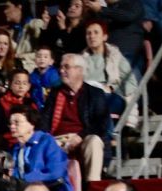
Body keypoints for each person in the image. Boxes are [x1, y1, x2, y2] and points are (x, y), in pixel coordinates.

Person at [40, 53, 111, 183]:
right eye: (61, 67)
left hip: (83, 138)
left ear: (80, 70)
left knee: (94, 141)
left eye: (67, 67)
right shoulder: (55, 94)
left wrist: (80, 136)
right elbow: (44, 122)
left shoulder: (95, 94)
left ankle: (92, 187)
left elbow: (101, 124)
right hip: (58, 139)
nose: (61, 71)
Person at [8, 106, 72, 191]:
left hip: (53, 190)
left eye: (17, 122)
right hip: (26, 190)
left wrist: (27, 179)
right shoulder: (15, 148)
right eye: (11, 123)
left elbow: (56, 172)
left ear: (31, 124)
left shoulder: (47, 141)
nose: (12, 126)